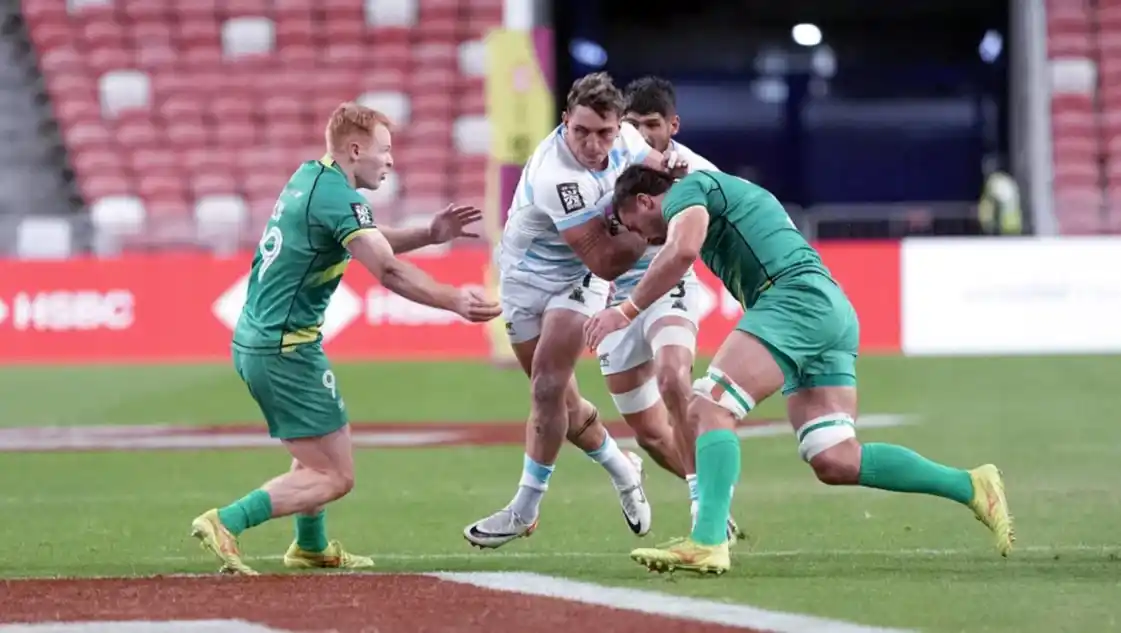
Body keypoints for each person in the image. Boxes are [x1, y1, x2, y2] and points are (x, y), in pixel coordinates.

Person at [587, 165, 1014, 575]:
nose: (642, 238)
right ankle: (971, 486)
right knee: (833, 456)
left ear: (645, 199)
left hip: (793, 299)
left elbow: (681, 250)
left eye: (637, 225)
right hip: (827, 308)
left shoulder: (687, 191)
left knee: (708, 405)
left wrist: (624, 312)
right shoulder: (708, 191)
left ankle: (708, 540)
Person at [190, 103, 502, 575]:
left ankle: (311, 547)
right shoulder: (336, 196)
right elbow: (387, 270)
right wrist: (454, 300)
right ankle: (226, 521)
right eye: (385, 150)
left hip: (270, 340)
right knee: (335, 475)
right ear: (356, 149)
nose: (390, 160)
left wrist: (431, 233)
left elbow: (366, 240)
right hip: (284, 349)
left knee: (321, 452)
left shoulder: (312, 176)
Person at [463, 72, 686, 549]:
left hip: (575, 281)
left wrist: (683, 199)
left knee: (546, 384)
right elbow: (605, 255)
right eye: (580, 130)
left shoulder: (626, 136)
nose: (592, 143)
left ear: (618, 127)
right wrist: (654, 229)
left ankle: (523, 510)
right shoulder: (557, 175)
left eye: (603, 133)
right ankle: (623, 469)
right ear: (565, 121)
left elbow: (664, 180)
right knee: (563, 405)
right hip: (527, 279)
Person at [600, 76, 742, 542]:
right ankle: (670, 478)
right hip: (612, 294)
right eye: (632, 125)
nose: (641, 134)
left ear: (673, 125)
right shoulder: (602, 161)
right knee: (651, 433)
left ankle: (707, 505)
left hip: (667, 285)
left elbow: (722, 225)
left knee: (673, 376)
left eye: (652, 125)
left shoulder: (695, 171)